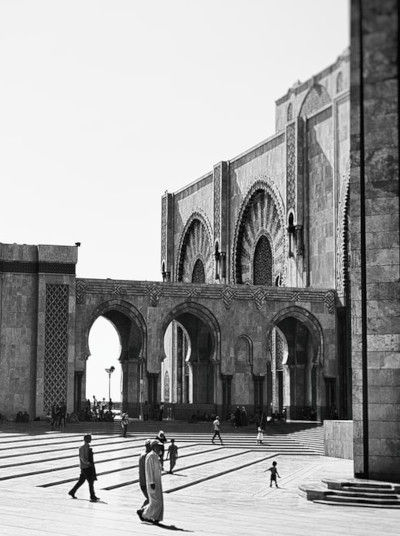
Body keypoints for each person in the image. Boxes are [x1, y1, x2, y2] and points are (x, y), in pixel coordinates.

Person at [137, 441, 164, 524]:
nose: (159, 448)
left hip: (157, 482)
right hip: (152, 483)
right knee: (155, 502)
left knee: (159, 502)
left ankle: (156, 517)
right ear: (154, 447)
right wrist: (151, 482)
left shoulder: (156, 456)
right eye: (158, 446)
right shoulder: (150, 456)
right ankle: (143, 514)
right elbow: (148, 471)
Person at [68, 434, 99, 502]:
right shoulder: (82, 448)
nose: (90, 439)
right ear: (85, 439)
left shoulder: (88, 447)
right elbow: (82, 457)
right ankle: (92, 496)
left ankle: (72, 492)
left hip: (88, 467)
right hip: (85, 467)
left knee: (81, 481)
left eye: (90, 438)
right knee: (90, 482)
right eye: (89, 438)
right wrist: (87, 463)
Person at [138, 440, 152, 507]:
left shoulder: (142, 454)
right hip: (147, 483)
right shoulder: (147, 456)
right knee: (150, 500)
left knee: (149, 500)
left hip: (142, 482)